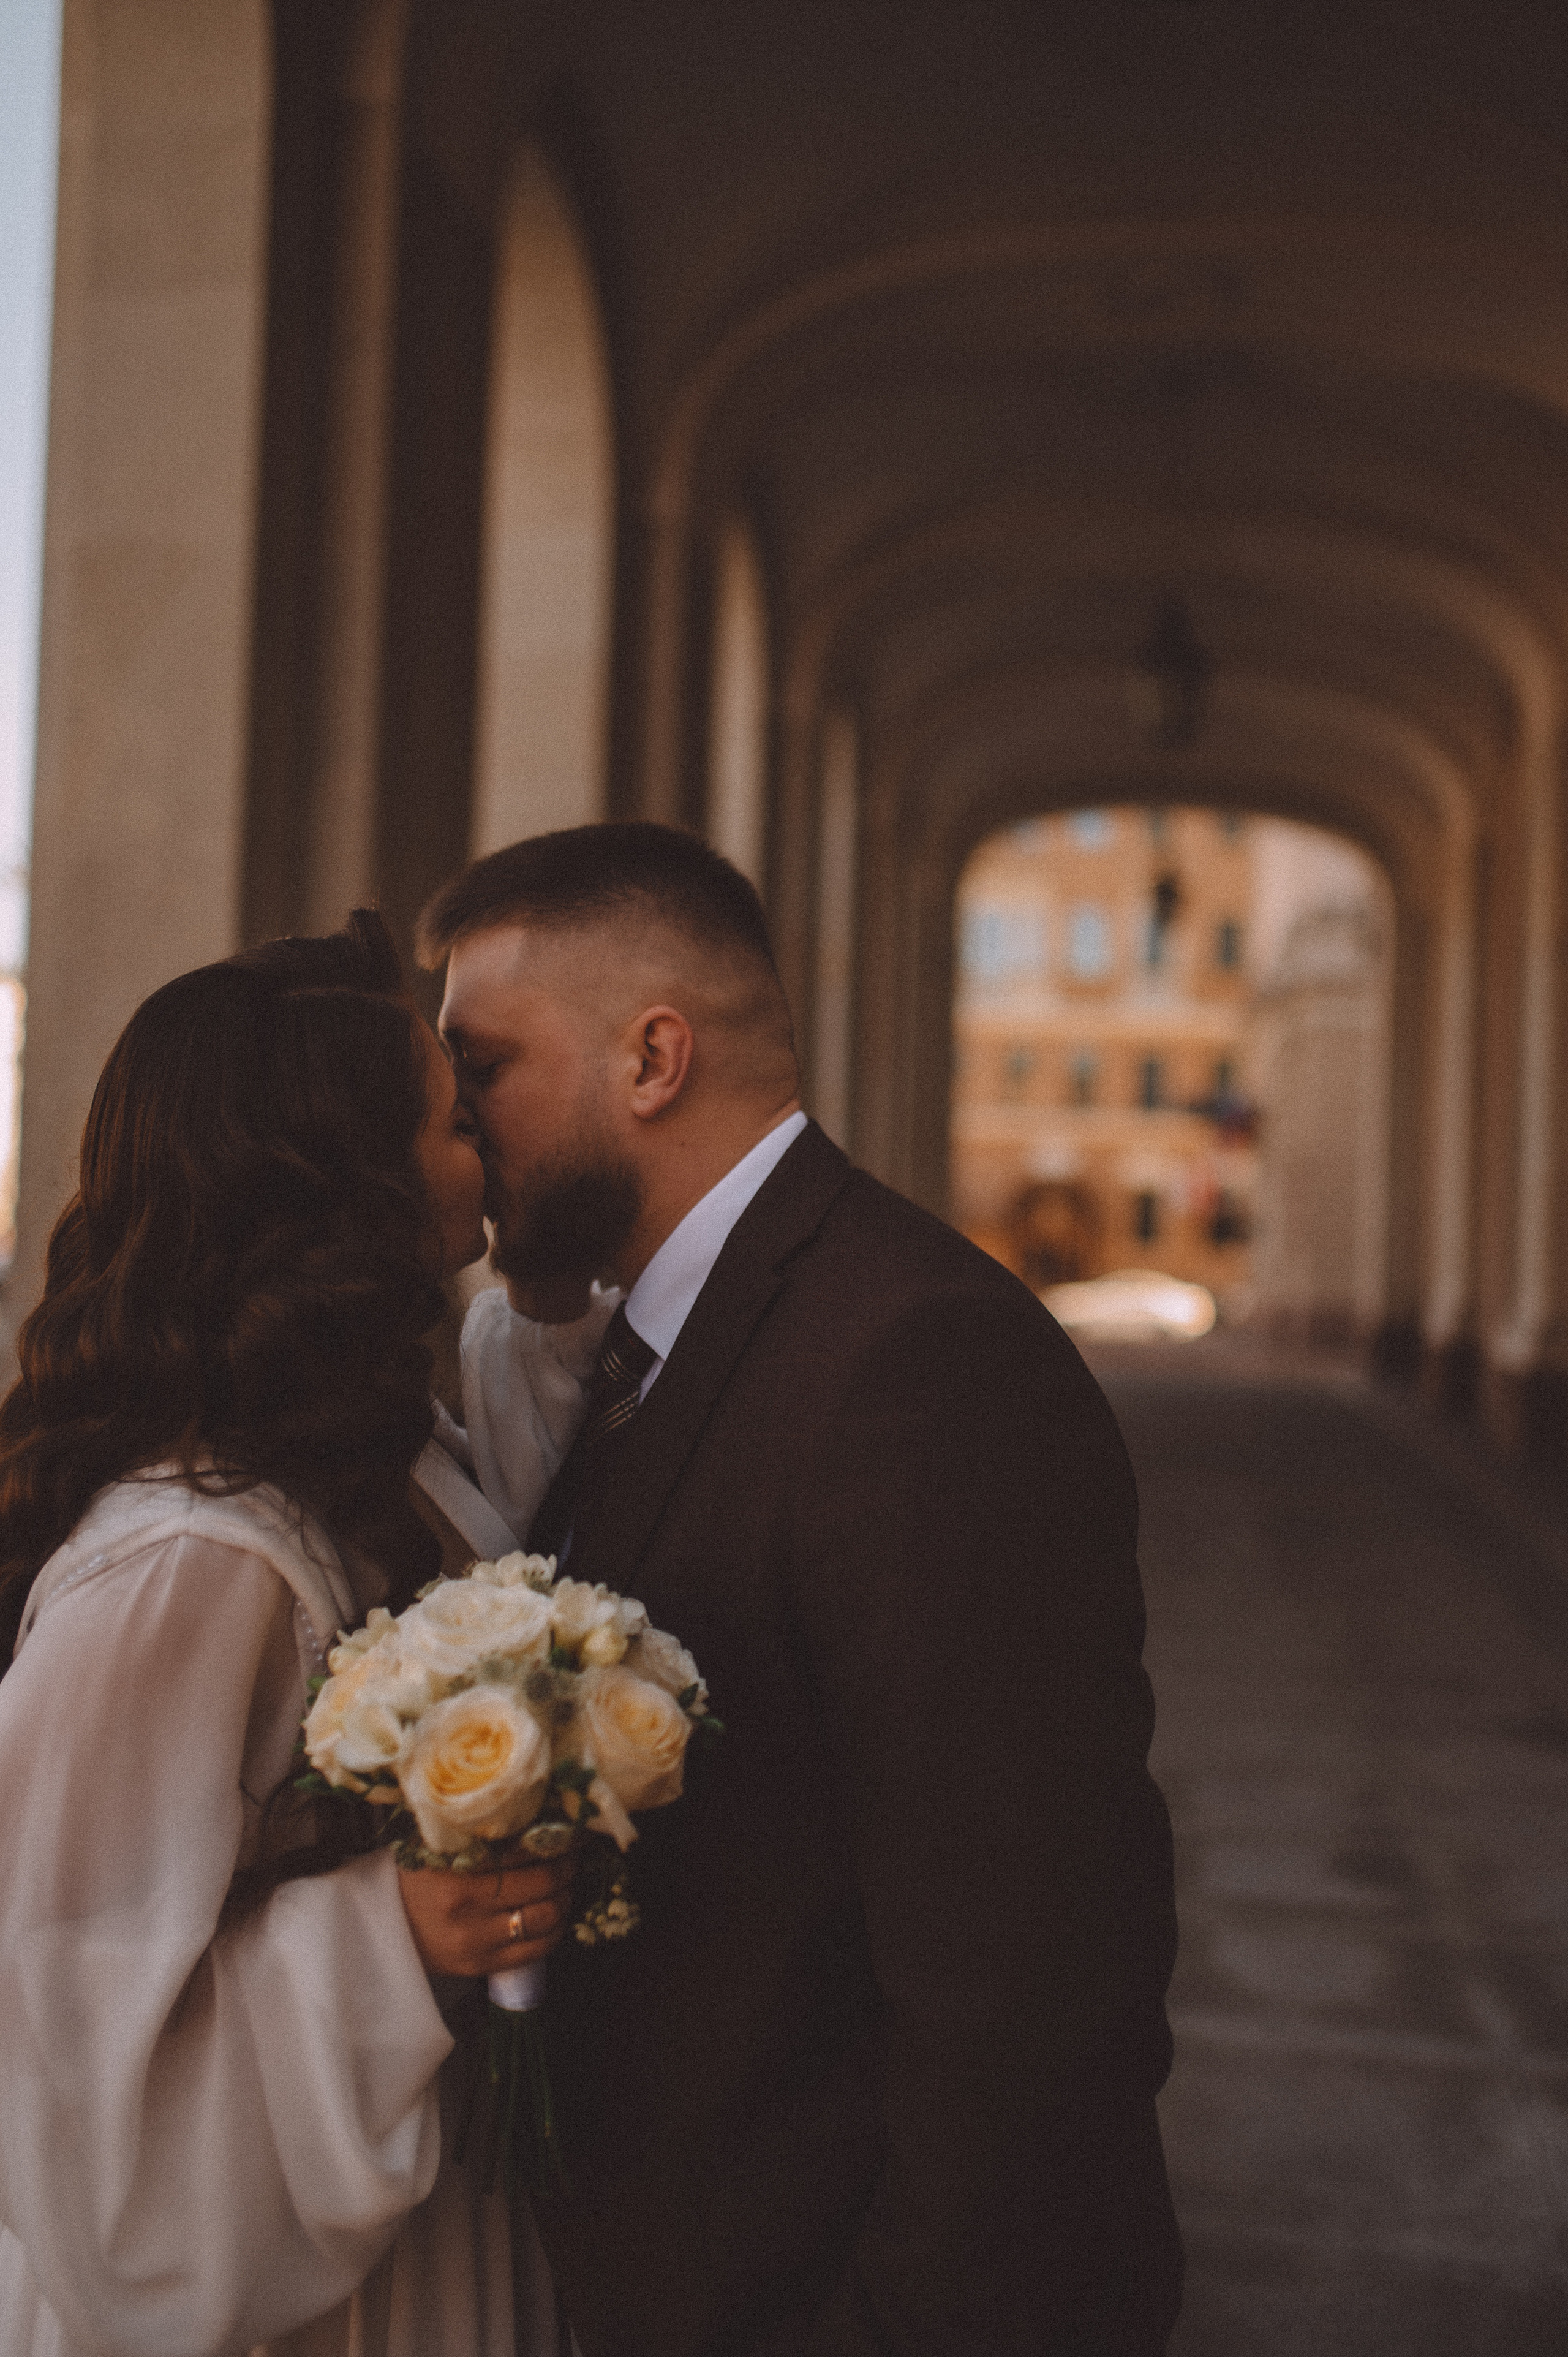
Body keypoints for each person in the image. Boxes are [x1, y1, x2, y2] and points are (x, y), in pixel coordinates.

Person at [421, 822, 1184, 2357]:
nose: (453, 1126)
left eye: (481, 1069)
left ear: (652, 1058)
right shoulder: (646, 1342)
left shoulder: (918, 1362)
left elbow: (1026, 1992)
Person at [0, 911, 601, 2357]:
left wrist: (547, 1282)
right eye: (458, 1120)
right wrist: (392, 1932)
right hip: (287, 2307)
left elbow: (517, 1498)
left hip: (414, 2229)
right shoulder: (186, 1566)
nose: (492, 1140)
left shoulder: (368, 1456)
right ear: (346, 1188)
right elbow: (63, 2032)